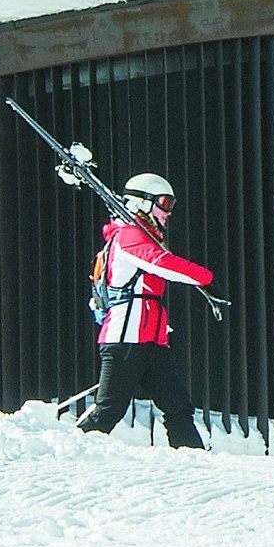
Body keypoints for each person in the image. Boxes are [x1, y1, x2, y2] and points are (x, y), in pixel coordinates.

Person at [80, 171, 217, 447]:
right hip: (126, 340)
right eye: (164, 203)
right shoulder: (129, 236)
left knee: (178, 407)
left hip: (152, 341)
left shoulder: (144, 235)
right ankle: (65, 453)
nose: (168, 212)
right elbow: (159, 262)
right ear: (143, 203)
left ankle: (193, 459)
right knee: (108, 411)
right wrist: (206, 278)